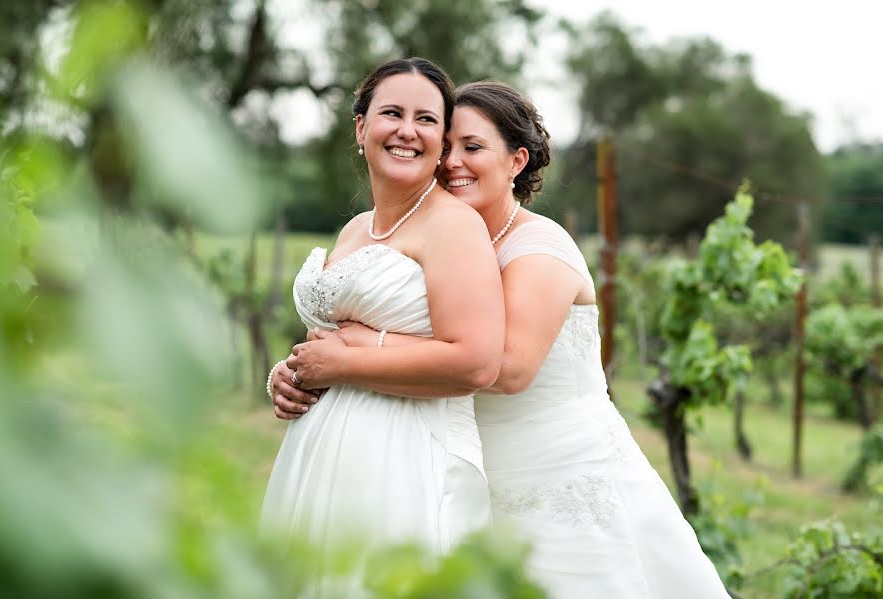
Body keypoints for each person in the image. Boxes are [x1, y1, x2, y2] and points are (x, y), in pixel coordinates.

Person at [274, 81, 730, 598]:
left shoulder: (540, 247)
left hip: (555, 471)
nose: (453, 163)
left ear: (516, 161)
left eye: (473, 148)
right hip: (468, 460)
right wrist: (303, 364)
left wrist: (353, 351)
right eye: (447, 147)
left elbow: (506, 367)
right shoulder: (444, 236)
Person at [260, 59, 504, 580]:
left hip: (407, 455)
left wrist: (344, 364)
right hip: (320, 453)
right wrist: (291, 372)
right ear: (361, 126)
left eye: (427, 119)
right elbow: (329, 339)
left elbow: (477, 362)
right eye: (392, 112)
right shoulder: (353, 230)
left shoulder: (453, 226)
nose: (407, 131)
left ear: (441, 140)